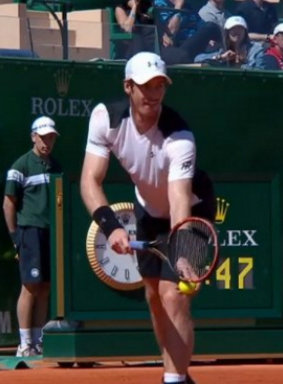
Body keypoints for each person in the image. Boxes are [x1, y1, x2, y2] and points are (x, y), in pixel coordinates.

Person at [80, 51, 216, 384]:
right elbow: (89, 181)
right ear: (128, 86)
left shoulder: (179, 137)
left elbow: (178, 197)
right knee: (154, 297)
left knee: (174, 295)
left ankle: (173, 379)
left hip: (190, 211)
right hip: (147, 211)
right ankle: (178, 376)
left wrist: (182, 250)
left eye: (160, 85)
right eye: (146, 86)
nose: (154, 94)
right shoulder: (106, 119)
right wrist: (111, 227)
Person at [3, 116, 63, 357]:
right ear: (33, 137)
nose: (47, 142)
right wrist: (15, 236)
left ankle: (38, 342)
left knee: (46, 287)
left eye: (51, 138)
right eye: (43, 137)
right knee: (30, 286)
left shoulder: (56, 166)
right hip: (30, 231)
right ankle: (25, 343)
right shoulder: (20, 166)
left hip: (52, 233)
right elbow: (8, 203)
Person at [194, 15, 266, 70]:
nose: (237, 32)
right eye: (233, 29)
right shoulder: (220, 48)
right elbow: (197, 59)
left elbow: (260, 71)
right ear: (227, 32)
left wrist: (241, 65)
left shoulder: (256, 49)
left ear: (245, 32)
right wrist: (221, 57)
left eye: (240, 29)